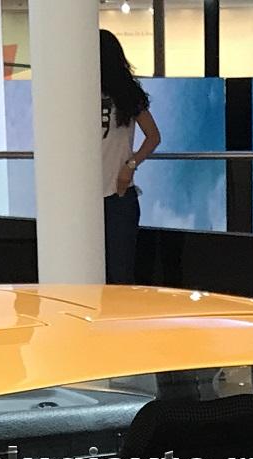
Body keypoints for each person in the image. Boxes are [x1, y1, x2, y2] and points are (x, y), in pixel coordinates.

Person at [100, 29, 159, 285]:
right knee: (88, 274)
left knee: (120, 275)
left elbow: (153, 136)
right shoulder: (76, 93)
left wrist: (131, 165)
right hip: (82, 201)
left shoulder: (126, 94)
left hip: (118, 194)